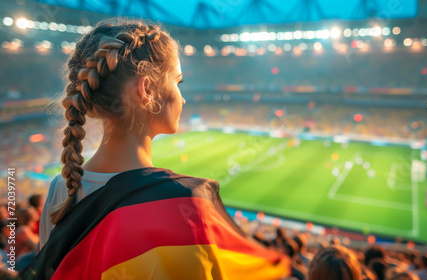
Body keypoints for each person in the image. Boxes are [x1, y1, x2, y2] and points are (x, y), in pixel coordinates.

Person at [21, 18, 290, 280]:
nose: (182, 97)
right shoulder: (185, 205)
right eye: (178, 81)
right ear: (146, 89)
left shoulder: (60, 189)